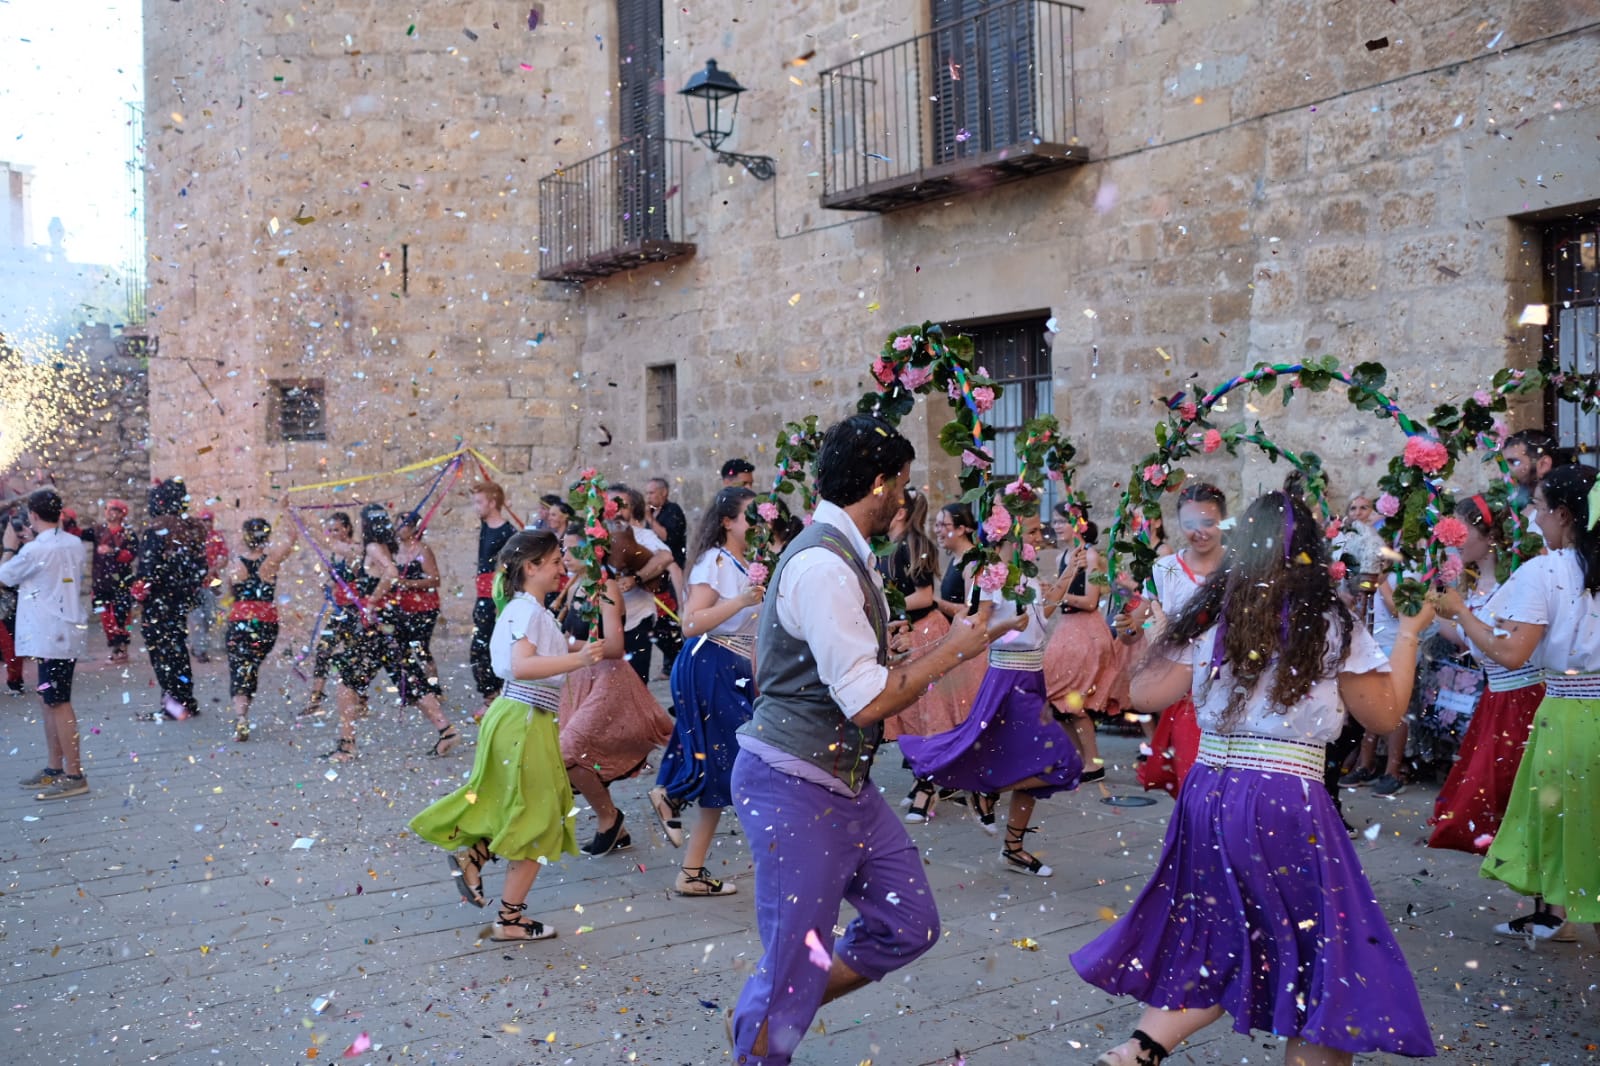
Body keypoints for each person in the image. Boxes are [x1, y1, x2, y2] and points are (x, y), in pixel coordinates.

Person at [1073, 489, 1437, 1066]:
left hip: (1209, 792)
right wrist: (1412, 633)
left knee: (1216, 927)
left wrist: (1152, 635)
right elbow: (1385, 716)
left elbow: (1144, 694)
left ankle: (1139, 1048)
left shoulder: (1213, 608)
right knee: (1326, 954)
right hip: (1283, 797)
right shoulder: (1330, 620)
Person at [726, 415, 1018, 1065]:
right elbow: (867, 704)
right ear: (881, 484)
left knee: (910, 922)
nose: (907, 501)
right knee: (791, 959)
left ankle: (773, 1007)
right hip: (793, 784)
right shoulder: (824, 566)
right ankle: (765, 1031)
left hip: (844, 785)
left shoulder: (843, 553)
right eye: (905, 487)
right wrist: (952, 650)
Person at [410, 530, 603, 940]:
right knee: (539, 817)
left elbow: (535, 657)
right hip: (524, 717)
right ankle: (509, 918)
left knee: (521, 808)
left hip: (522, 716)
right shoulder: (528, 611)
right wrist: (579, 658)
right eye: (553, 561)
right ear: (530, 568)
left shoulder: (527, 609)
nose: (560, 567)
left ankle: (475, 860)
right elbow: (523, 665)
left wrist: (574, 647)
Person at [1436, 462, 1600, 944]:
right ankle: (1563, 918)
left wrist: (1462, 612)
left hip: (1570, 718)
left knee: (1572, 825)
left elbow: (1511, 653)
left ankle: (1566, 913)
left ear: (1565, 515)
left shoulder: (1547, 571)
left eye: (1541, 508)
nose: (1535, 518)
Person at [900, 512, 1083, 875]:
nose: (1039, 535)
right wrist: (1006, 626)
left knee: (1033, 761)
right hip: (1009, 681)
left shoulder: (1025, 573)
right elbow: (977, 628)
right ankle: (987, 791)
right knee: (1062, 761)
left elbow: (1040, 614)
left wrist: (1069, 573)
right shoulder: (991, 575)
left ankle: (1013, 847)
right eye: (1031, 530)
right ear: (1010, 535)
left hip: (1032, 677)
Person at [649, 486, 763, 894]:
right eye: (752, 515)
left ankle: (691, 871)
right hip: (710, 662)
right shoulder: (716, 560)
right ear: (728, 521)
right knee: (739, 762)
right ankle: (673, 794)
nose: (759, 524)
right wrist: (742, 601)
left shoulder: (747, 562)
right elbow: (691, 623)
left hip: (733, 667)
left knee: (723, 764)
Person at [1428, 495, 1543, 856]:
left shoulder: (1516, 583)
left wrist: (1459, 612)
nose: (1455, 541)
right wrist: (1431, 608)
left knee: (1510, 797)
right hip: (1496, 697)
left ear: (1489, 535)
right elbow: (1468, 641)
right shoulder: (1473, 584)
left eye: (1462, 531)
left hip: (1523, 696)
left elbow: (1499, 646)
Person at [557, 531, 674, 856]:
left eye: (570, 550)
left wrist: (566, 645)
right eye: (562, 550)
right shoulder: (576, 585)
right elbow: (568, 633)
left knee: (570, 748)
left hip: (608, 680)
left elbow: (614, 646)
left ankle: (611, 817)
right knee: (566, 754)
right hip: (581, 679)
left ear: (591, 551)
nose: (564, 556)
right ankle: (612, 824)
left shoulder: (606, 587)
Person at [324, 504, 459, 761]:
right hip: (390, 625)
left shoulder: (374, 548)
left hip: (377, 627)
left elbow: (392, 573)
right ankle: (447, 731)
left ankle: (347, 745)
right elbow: (334, 545)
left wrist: (373, 600)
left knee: (346, 681)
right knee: (409, 677)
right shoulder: (385, 546)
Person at [1121, 482, 1228, 795]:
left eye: (1208, 522)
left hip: (1231, 696)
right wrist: (1127, 628)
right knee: (1192, 788)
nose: (1200, 532)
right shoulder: (1165, 568)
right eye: (1190, 524)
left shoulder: (1241, 567)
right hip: (1185, 698)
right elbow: (1136, 625)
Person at [1, 488, 91, 800]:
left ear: (34, 515)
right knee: (48, 701)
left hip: (50, 634)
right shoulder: (73, 542)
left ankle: (74, 773)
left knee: (59, 702)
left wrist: (10, 547)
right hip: (59, 632)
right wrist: (31, 541)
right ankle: (55, 767)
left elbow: (4, 576)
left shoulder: (35, 551)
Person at [880, 489, 956, 822]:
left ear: (898, 512)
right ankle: (919, 777)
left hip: (925, 635)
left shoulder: (916, 545)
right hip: (902, 636)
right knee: (908, 714)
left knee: (927, 715)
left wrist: (880, 606)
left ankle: (928, 787)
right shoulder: (882, 545)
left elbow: (924, 596)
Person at [1040, 504, 1112, 781]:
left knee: (1071, 701)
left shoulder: (1091, 556)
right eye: (1055, 521)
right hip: (1067, 630)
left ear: (1078, 524)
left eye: (1062, 521)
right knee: (1057, 703)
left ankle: (1093, 763)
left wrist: (1059, 596)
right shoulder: (1063, 556)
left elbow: (1091, 601)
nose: (1057, 526)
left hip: (1086, 632)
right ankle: (1082, 759)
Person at [134, 477, 208, 720]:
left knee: (162, 652)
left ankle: (174, 705)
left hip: (159, 600)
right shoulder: (193, 528)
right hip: (181, 599)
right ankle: (186, 700)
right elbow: (199, 566)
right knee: (177, 648)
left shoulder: (157, 529)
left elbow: (149, 569)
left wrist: (140, 589)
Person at [225, 517, 297, 741]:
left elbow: (228, 597)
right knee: (251, 666)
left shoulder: (235, 564)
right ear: (266, 536)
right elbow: (292, 538)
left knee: (240, 667)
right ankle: (244, 709)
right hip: (266, 622)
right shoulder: (272, 561)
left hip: (240, 622)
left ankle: (240, 715)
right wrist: (287, 511)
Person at [606, 484, 676, 683]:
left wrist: (636, 578)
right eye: (613, 505)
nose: (618, 511)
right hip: (603, 624)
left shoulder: (644, 536)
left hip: (637, 620)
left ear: (632, 509)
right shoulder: (592, 536)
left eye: (624, 506)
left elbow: (665, 557)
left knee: (636, 686)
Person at [302, 512, 359, 717]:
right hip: (340, 610)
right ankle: (315, 699)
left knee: (355, 656)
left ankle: (361, 701)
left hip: (356, 611)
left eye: (337, 529)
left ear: (347, 529)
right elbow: (336, 580)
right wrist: (329, 586)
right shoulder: (334, 555)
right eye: (331, 530)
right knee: (324, 650)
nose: (333, 534)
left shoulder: (355, 549)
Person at [471, 480, 519, 718]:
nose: (475, 507)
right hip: (482, 595)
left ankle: (496, 697)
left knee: (487, 646)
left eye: (480, 502)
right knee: (479, 647)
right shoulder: (485, 526)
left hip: (495, 597)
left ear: (492, 503)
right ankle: (491, 696)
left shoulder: (508, 533)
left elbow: (509, 568)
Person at [394, 512, 446, 723]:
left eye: (403, 526)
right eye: (397, 525)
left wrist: (409, 584)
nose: (399, 529)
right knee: (403, 647)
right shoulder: (396, 551)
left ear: (413, 528)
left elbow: (435, 579)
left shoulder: (422, 550)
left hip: (424, 607)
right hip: (403, 607)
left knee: (421, 648)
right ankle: (414, 688)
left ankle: (434, 687)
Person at [645, 476, 688, 673]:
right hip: (656, 574)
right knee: (657, 621)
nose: (649, 497)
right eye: (647, 493)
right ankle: (670, 663)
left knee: (670, 618)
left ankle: (676, 661)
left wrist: (650, 520)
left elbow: (667, 537)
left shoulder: (673, 511)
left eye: (652, 492)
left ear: (664, 493)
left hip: (672, 572)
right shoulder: (653, 514)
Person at [85, 499, 137, 663]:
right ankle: (115, 646)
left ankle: (122, 647)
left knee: (123, 616)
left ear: (122, 513)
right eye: (107, 508)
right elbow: (78, 533)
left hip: (121, 582)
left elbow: (130, 555)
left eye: (113, 509)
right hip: (101, 582)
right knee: (105, 616)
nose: (109, 512)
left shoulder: (128, 533)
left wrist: (113, 552)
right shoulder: (98, 530)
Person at [189, 510, 229, 662]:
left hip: (214, 580)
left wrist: (212, 570)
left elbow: (224, 557)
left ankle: (198, 644)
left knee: (211, 616)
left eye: (208, 520)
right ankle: (200, 650)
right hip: (195, 583)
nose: (206, 523)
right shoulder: (193, 538)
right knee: (197, 616)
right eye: (203, 520)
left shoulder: (217, 537)